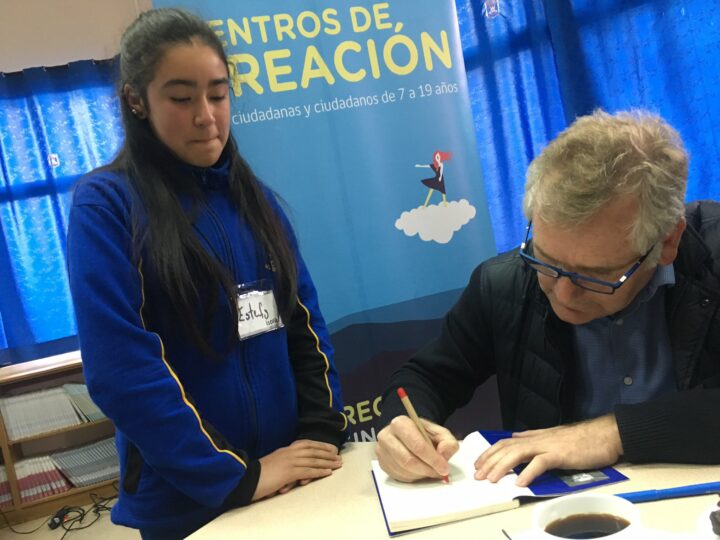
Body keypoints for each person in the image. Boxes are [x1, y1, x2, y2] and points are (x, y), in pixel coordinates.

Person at [67, 8, 347, 539]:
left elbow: (304, 323)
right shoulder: (106, 204)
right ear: (136, 100)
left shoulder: (255, 200)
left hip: (290, 475)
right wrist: (236, 477)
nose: (206, 116)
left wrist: (319, 432)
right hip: (191, 499)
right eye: (181, 98)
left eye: (218, 95)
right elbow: (120, 369)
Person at [376, 109, 720, 487]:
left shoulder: (713, 258)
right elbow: (425, 377)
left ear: (667, 241)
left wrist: (613, 433)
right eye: (547, 260)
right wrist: (404, 429)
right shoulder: (503, 283)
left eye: (596, 275)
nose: (563, 293)